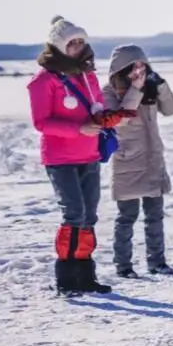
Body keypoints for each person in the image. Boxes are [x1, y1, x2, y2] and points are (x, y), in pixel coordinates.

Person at [27, 16, 125, 296]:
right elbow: (41, 122)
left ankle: (85, 275)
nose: (79, 47)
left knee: (89, 216)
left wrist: (104, 119)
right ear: (58, 46)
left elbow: (95, 107)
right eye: (72, 43)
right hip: (60, 158)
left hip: (89, 153)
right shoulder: (43, 81)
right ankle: (66, 277)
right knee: (74, 214)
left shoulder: (87, 75)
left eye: (82, 42)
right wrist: (78, 128)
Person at [102, 45, 173, 279]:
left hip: (152, 160)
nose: (139, 71)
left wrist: (161, 85)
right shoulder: (109, 92)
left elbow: (171, 109)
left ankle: (157, 262)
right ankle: (123, 266)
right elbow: (119, 121)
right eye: (133, 67)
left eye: (142, 66)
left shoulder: (150, 89)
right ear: (120, 69)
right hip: (127, 161)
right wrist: (134, 90)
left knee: (155, 215)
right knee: (127, 216)